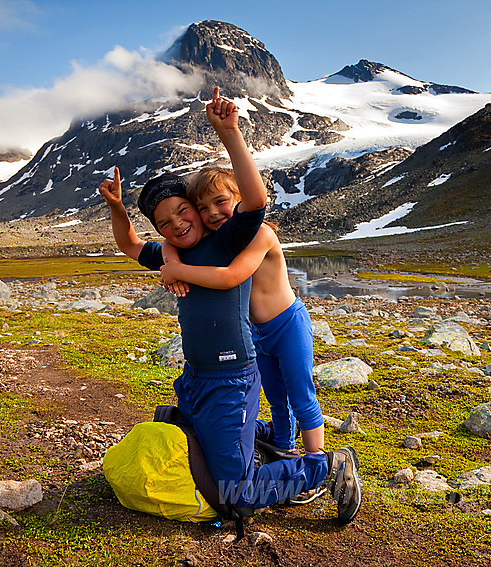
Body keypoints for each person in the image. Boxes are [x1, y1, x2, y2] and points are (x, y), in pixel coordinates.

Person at [98, 87, 361, 523]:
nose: (177, 223)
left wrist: (229, 132)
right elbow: (127, 243)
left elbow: (255, 202)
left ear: (198, 211)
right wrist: (117, 207)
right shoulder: (172, 252)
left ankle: (326, 467)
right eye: (164, 222)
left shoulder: (226, 242)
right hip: (198, 376)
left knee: (234, 494)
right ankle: (259, 440)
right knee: (197, 435)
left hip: (232, 376)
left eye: (183, 211)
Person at [159, 168, 326, 486]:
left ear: (240, 198)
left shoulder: (261, 234)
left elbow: (231, 276)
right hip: (258, 335)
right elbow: (166, 245)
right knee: (276, 398)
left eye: (220, 201)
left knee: (301, 395)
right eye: (203, 208)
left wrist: (178, 270)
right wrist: (171, 259)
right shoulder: (221, 241)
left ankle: (319, 461)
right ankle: (285, 449)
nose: (212, 213)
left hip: (288, 325)